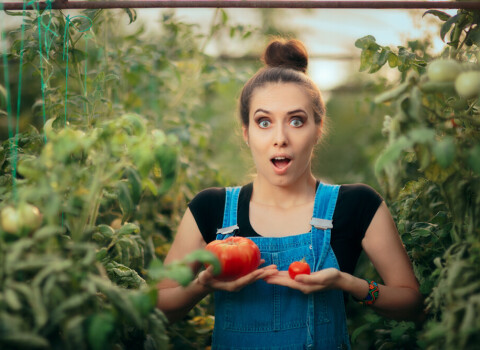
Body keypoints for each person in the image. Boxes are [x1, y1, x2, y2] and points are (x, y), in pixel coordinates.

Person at [157, 37, 424, 349]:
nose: (280, 138)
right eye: (264, 122)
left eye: (296, 121)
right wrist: (201, 287)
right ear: (246, 133)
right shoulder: (210, 210)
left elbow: (412, 303)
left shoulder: (357, 205)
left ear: (318, 128)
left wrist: (348, 283)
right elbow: (159, 306)